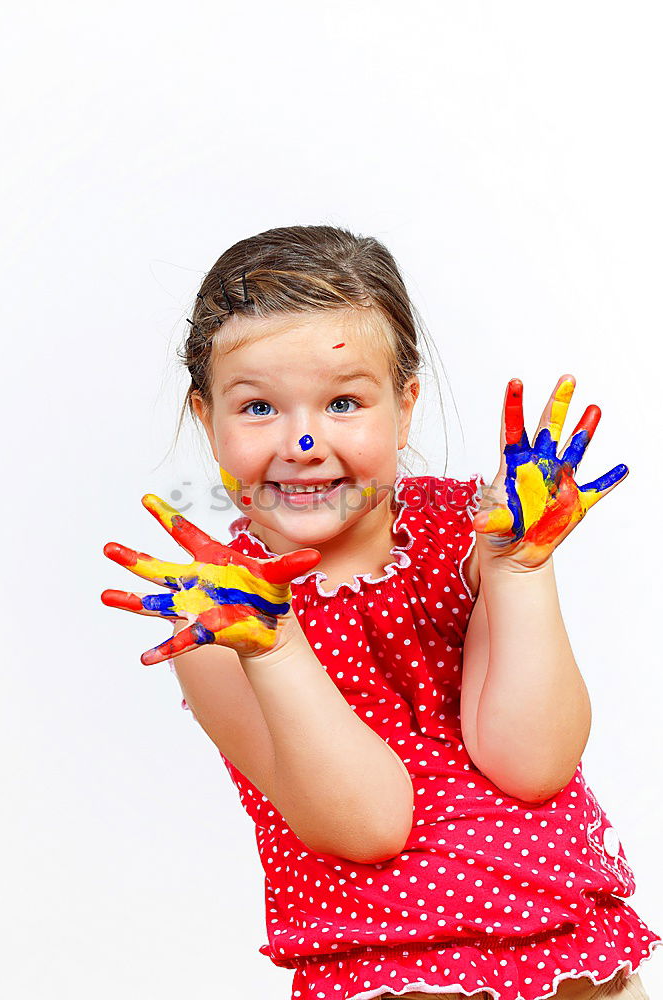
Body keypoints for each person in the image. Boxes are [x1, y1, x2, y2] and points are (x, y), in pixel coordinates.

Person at [102, 225, 661, 1000]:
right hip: (386, 977)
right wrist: (273, 648)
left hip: (572, 967)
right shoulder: (216, 626)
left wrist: (518, 568)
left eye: (341, 402)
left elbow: (532, 765)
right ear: (206, 417)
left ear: (404, 406)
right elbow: (369, 827)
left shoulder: (477, 533)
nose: (302, 441)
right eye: (258, 406)